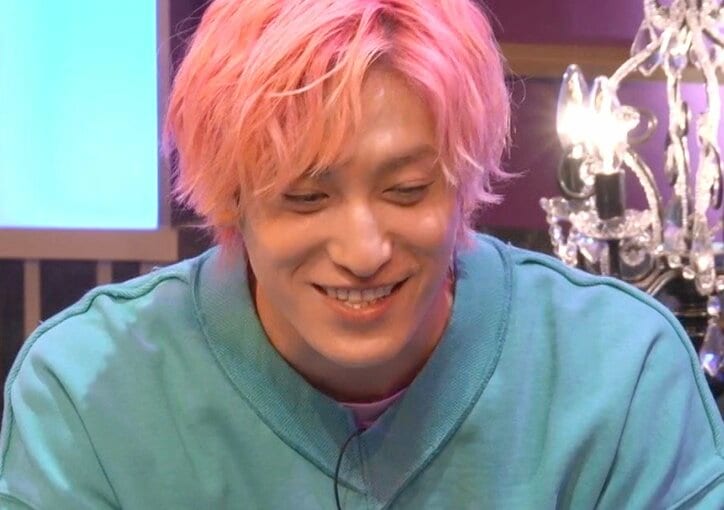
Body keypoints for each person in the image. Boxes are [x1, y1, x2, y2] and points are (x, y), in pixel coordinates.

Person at [1, 0, 722, 508]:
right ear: (233, 199)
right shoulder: (89, 392)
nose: (364, 251)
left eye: (408, 190)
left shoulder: (622, 372)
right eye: (305, 197)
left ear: (464, 182)